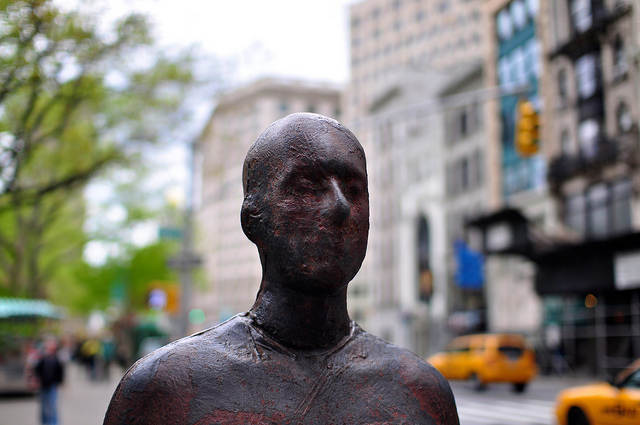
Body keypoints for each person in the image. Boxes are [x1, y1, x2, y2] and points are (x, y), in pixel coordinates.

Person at [104, 113, 459, 425]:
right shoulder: (165, 388)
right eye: (307, 186)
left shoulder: (421, 392)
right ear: (252, 218)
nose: (339, 206)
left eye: (354, 189)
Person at [35, 338, 64, 425]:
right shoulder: (43, 359)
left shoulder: (56, 359)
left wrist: (59, 382)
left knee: (52, 406)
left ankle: (53, 423)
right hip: (43, 386)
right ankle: (45, 422)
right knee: (44, 407)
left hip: (52, 386)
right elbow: (37, 370)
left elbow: (60, 372)